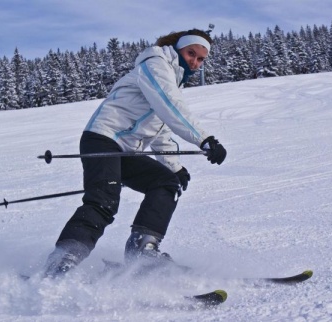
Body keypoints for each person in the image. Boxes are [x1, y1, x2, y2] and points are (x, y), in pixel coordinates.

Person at [44, 28, 227, 278]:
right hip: (103, 138)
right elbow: (170, 105)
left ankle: (142, 250)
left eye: (200, 58)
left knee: (166, 182)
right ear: (178, 48)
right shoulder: (155, 63)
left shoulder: (173, 79)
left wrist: (174, 167)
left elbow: (161, 128)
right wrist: (204, 139)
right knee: (103, 200)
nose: (194, 61)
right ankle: (61, 262)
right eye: (190, 53)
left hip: (126, 150)